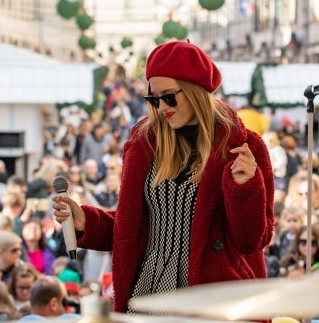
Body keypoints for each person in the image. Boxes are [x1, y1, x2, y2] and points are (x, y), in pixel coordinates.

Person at [52, 41, 274, 313]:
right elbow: (134, 228)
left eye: (169, 96)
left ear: (195, 92)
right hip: (149, 292)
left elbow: (251, 241)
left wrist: (245, 188)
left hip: (213, 295)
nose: (162, 107)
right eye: (153, 99)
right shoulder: (145, 145)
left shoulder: (242, 147)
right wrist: (88, 221)